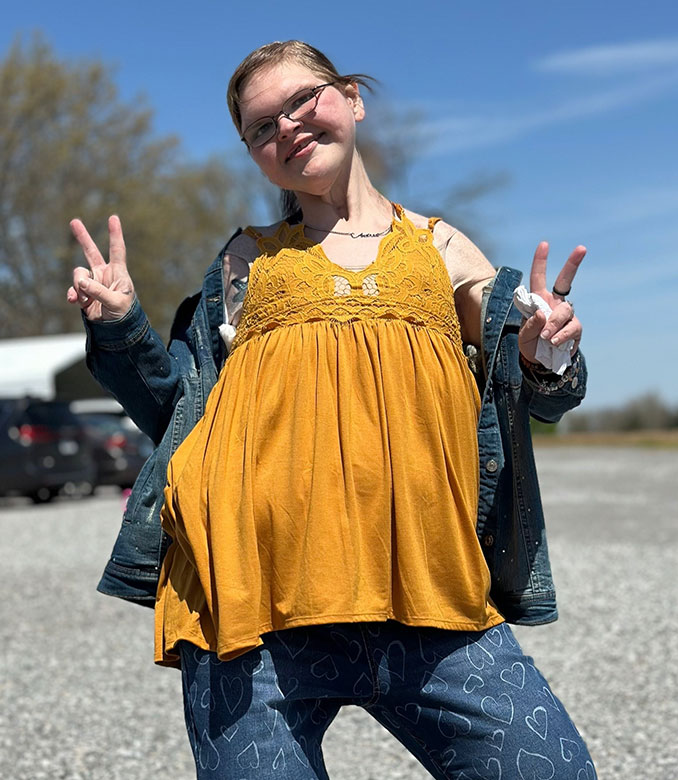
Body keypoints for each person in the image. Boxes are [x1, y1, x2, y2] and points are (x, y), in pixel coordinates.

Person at [67, 40, 596, 780]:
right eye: (260, 127)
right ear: (254, 153)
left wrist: (549, 349)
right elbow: (177, 411)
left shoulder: (438, 247)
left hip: (430, 601)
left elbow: (536, 375)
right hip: (249, 614)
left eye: (301, 101)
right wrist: (123, 325)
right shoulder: (246, 260)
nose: (285, 126)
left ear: (351, 97)